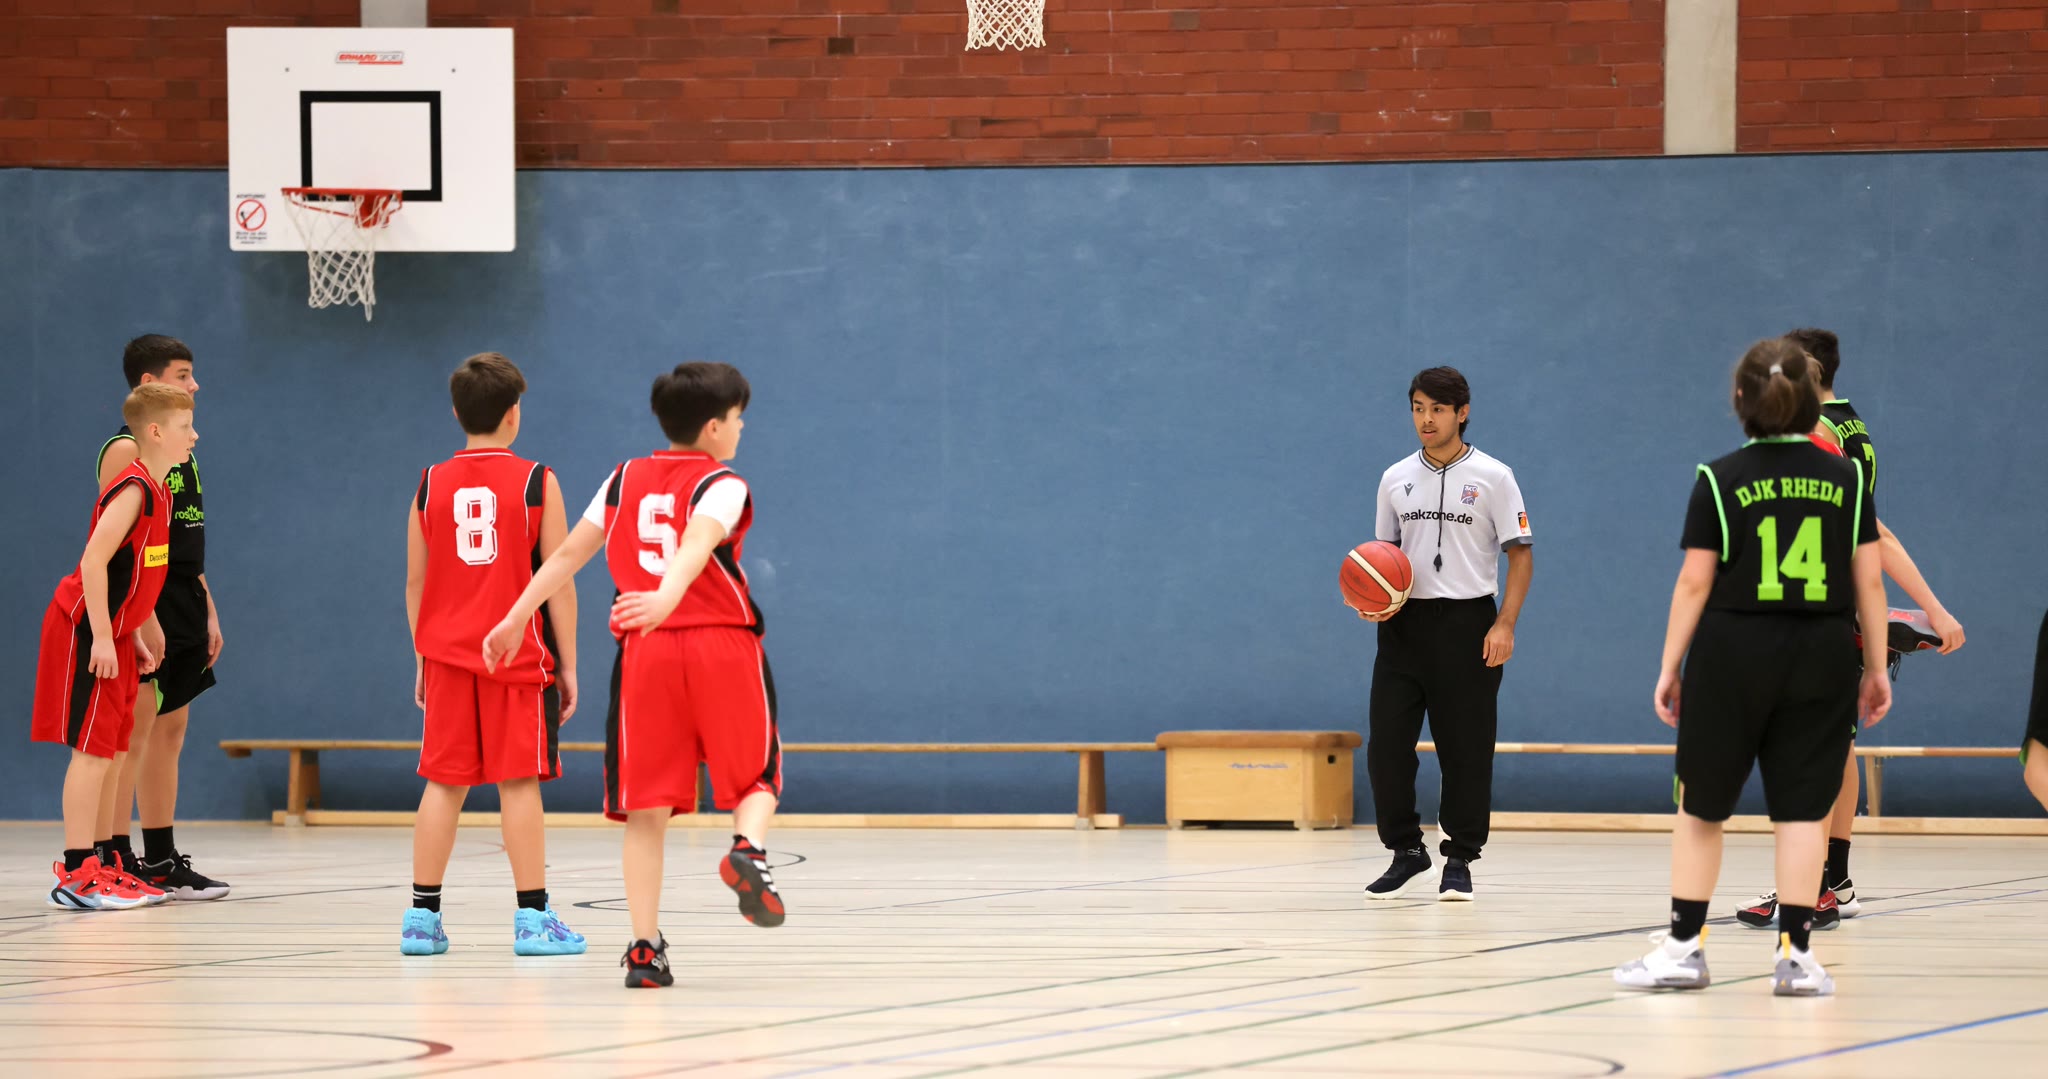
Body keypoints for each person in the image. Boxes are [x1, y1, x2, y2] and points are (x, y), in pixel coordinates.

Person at [482, 361, 781, 989]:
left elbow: (566, 554)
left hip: (645, 654)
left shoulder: (622, 479)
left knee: (646, 809)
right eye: (737, 418)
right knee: (757, 777)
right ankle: (747, 850)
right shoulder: (722, 482)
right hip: (720, 643)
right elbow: (697, 543)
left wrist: (515, 617)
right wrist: (669, 596)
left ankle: (645, 950)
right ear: (713, 427)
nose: (741, 427)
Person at [1614, 339, 1890, 997]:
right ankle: (1796, 958)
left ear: (1741, 398)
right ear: (1811, 400)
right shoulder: (1845, 480)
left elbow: (1694, 581)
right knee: (1802, 813)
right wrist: (1876, 666)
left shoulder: (1719, 477)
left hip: (1733, 653)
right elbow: (1870, 582)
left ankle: (1684, 949)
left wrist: (1669, 665)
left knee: (1702, 808)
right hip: (1822, 652)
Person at [1734, 328, 1965, 930]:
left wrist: (1932, 608)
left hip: (1820, 610)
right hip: (1835, 607)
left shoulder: (1820, 433)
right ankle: (1831, 878)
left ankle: (1812, 882)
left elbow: (1873, 532)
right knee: (1836, 744)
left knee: (1810, 749)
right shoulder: (1852, 425)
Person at [401, 353, 586, 957]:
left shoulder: (430, 483)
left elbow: (415, 583)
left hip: (446, 659)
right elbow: (560, 579)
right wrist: (569, 664)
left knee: (442, 785)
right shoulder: (537, 481)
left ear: (457, 414)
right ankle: (532, 920)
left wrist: (423, 656)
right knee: (519, 784)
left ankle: (421, 920)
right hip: (518, 659)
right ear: (514, 415)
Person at [1362, 367, 1533, 901]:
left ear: (1462, 412)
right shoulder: (1394, 478)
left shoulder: (1495, 477)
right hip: (1403, 628)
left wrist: (1504, 623)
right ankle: (1406, 851)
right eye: (1418, 408)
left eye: (1437, 409)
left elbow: (1520, 556)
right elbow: (1383, 558)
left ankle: (1459, 858)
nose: (1426, 419)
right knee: (1387, 749)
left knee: (1466, 751)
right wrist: (1372, 602)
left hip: (1469, 625)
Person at [35, 384, 197, 909]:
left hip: (118, 632)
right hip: (85, 628)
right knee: (91, 752)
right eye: (185, 426)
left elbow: (138, 572)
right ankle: (76, 873)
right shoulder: (133, 488)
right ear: (156, 431)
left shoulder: (161, 491)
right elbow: (93, 561)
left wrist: (141, 628)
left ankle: (103, 865)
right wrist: (104, 636)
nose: (194, 435)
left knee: (114, 749)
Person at [94, 335, 230, 900]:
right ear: (149, 383)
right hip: (146, 602)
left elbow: (183, 539)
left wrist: (208, 605)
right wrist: (140, 614)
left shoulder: (182, 448)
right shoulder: (127, 448)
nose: (195, 384)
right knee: (134, 732)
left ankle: (160, 856)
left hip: (183, 596)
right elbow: (117, 545)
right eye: (183, 374)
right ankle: (113, 853)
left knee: (170, 730)